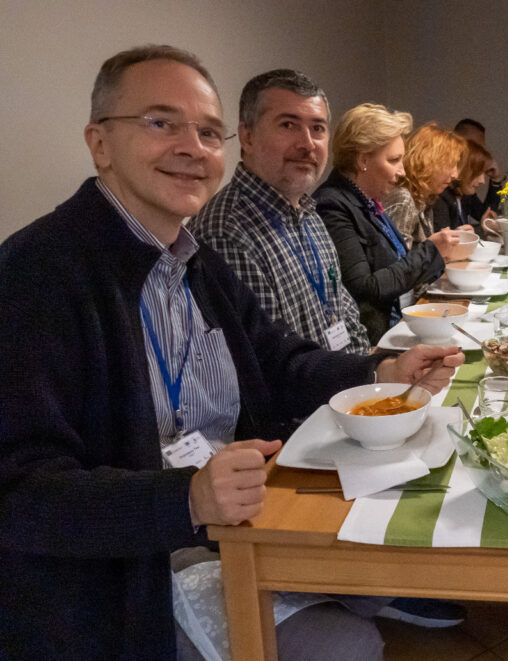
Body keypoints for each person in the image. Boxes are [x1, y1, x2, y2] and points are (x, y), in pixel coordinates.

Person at [0, 46, 465, 661]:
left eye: (208, 132)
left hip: (229, 519)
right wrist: (187, 497)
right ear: (100, 143)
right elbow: (20, 495)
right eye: (161, 123)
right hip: (124, 572)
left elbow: (280, 362)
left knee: (386, 549)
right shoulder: (37, 273)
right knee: (347, 645)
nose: (193, 147)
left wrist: (380, 369)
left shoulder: (193, 258)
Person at [191, 69, 371, 354]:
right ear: (247, 137)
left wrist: (368, 372)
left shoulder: (309, 212)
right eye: (288, 125)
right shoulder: (225, 233)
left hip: (345, 387)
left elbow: (346, 314)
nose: (307, 143)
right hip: (312, 396)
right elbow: (269, 365)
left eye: (318, 128)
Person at [315, 104, 462, 344]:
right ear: (362, 159)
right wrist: (430, 251)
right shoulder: (333, 205)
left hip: (393, 327)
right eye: (394, 160)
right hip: (372, 341)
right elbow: (366, 288)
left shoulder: (368, 200)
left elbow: (397, 265)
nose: (402, 171)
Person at [383, 122, 466, 249]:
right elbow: (399, 262)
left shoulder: (424, 198)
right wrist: (435, 248)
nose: (455, 175)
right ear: (428, 162)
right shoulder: (403, 198)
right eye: (450, 165)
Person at [433, 138, 500, 238]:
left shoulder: (464, 196)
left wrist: (496, 180)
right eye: (478, 174)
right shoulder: (441, 199)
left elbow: (486, 216)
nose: (482, 181)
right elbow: (446, 244)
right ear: (465, 170)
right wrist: (482, 230)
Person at [453, 117, 502, 222]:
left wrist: (495, 181)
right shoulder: (443, 184)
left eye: (481, 148)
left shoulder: (465, 182)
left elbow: (484, 216)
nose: (479, 152)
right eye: (474, 146)